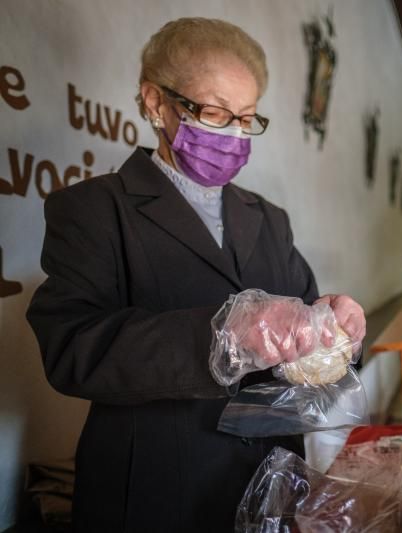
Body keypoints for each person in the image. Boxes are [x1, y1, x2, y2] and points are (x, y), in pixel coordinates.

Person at [26, 18, 366, 532]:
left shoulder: (268, 218)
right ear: (155, 102)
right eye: (214, 111)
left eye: (247, 117)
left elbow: (309, 336)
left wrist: (339, 334)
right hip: (159, 489)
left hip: (271, 478)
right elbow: (72, 349)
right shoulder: (94, 209)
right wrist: (224, 336)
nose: (233, 133)